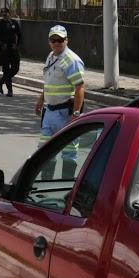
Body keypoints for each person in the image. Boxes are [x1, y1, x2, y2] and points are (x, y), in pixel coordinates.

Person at [34, 25, 85, 175]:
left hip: (65, 113)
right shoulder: (51, 56)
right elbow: (49, 83)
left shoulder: (71, 60)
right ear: (49, 41)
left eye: (60, 40)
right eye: (53, 39)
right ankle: (44, 187)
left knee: (69, 153)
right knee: (45, 151)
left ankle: (65, 188)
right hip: (49, 112)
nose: (57, 43)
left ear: (66, 40)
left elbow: (80, 88)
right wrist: (40, 101)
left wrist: (75, 114)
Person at [0, 7, 21, 97]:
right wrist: (1, 44)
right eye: (3, 13)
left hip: (13, 49)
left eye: (6, 13)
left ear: (9, 13)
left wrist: (17, 45)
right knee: (6, 70)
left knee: (15, 69)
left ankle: (0, 82)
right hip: (4, 50)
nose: (5, 14)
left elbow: (20, 35)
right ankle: (10, 90)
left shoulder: (14, 23)